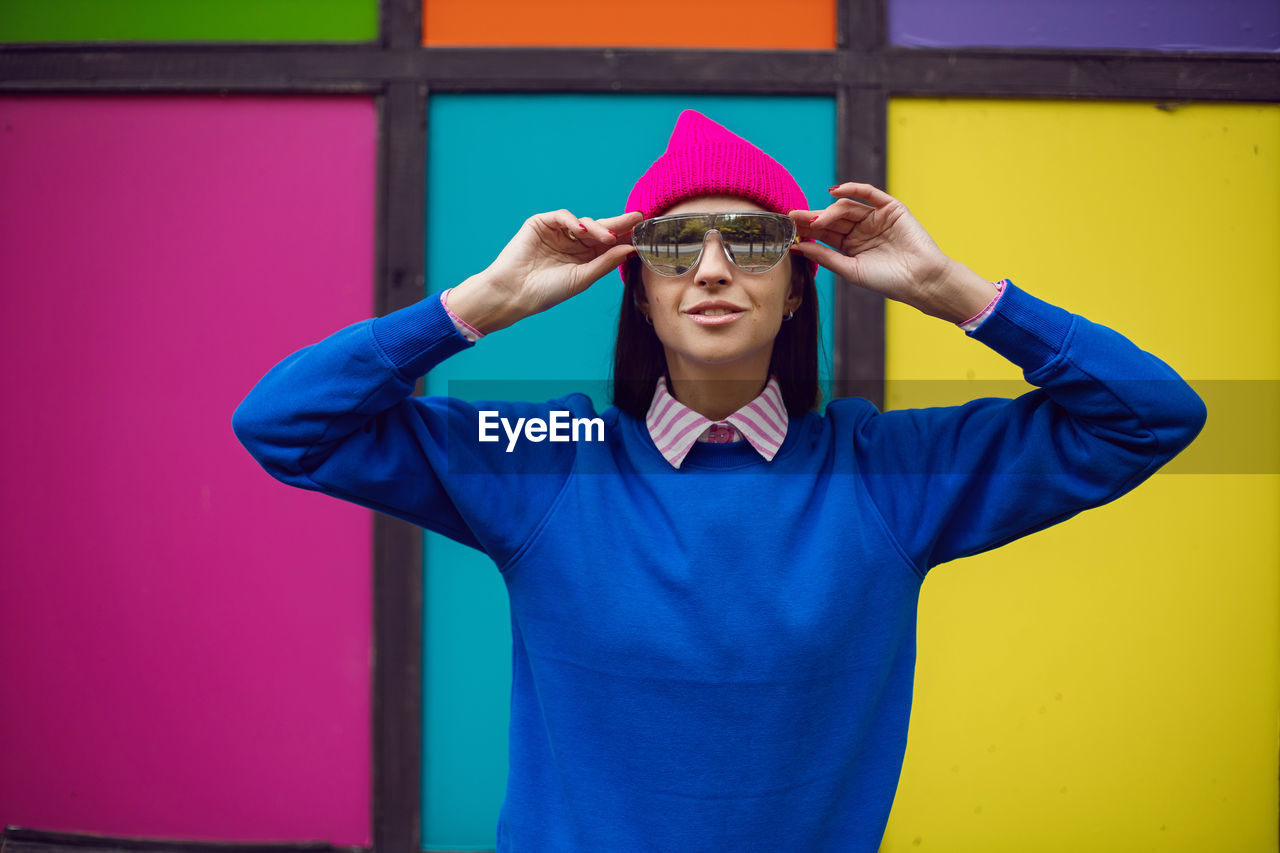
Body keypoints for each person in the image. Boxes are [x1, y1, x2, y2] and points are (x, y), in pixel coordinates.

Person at [233, 110, 1205, 851]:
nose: (708, 270)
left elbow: (1147, 414)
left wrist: (952, 292)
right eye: (670, 245)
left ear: (795, 288)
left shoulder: (884, 473)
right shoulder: (543, 456)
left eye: (749, 244)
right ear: (636, 286)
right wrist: (479, 305)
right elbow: (284, 424)